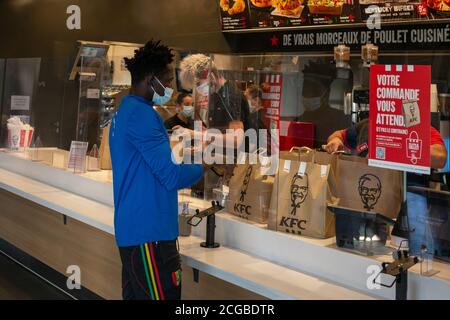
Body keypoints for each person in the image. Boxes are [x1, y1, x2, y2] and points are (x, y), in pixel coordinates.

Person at [109, 40, 204, 300]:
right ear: (151, 80)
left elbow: (154, 164)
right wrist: (203, 165)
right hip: (150, 236)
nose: (171, 88)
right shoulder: (143, 115)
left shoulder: (125, 111)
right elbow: (171, 175)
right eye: (166, 80)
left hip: (135, 232)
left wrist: (189, 156)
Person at [324, 118, 448, 169]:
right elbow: (338, 135)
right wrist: (336, 140)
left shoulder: (421, 130)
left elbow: (440, 159)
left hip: (404, 202)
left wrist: (392, 148)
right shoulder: (369, 125)